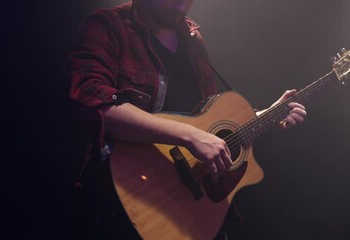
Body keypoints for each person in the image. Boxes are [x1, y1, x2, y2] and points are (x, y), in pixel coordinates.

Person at [69, 0, 307, 239]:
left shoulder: (192, 38)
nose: (184, 4)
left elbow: (209, 121)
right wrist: (190, 137)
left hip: (190, 210)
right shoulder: (108, 25)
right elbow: (93, 104)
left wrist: (266, 114)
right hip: (121, 205)